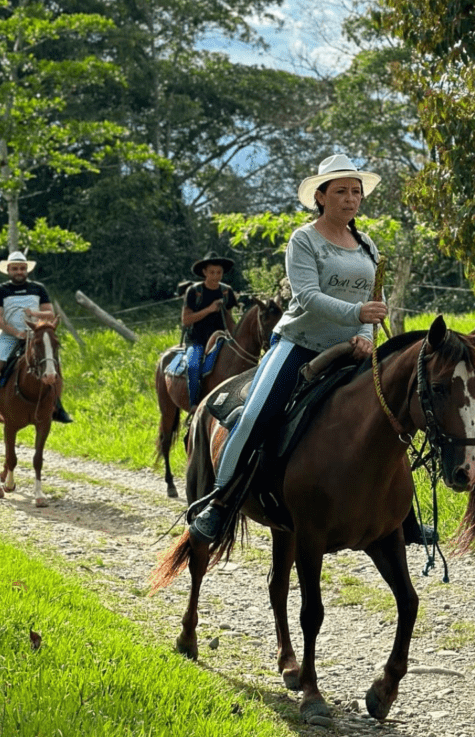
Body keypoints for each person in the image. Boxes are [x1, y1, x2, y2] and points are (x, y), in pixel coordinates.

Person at [189, 152, 433, 546]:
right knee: (255, 415)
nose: (350, 198)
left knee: (393, 418)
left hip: (355, 349)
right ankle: (220, 503)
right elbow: (307, 296)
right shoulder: (303, 240)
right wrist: (357, 311)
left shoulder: (367, 245)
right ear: (320, 196)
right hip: (300, 346)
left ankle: (403, 516)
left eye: (355, 191)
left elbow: (377, 301)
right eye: (340, 191)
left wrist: (366, 338)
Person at [0, 251, 73, 423]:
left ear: (27, 270)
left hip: (36, 333)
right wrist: (16, 333)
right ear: (8, 270)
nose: (19, 271)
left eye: (22, 268)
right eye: (15, 268)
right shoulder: (0, 290)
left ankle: (57, 406)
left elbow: (49, 314)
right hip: (9, 334)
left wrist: (33, 313)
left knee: (54, 366)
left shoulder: (38, 288)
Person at [177, 254, 238, 403]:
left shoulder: (226, 291)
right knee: (193, 366)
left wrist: (236, 337)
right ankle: (194, 405)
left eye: (219, 273)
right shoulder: (194, 291)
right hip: (197, 340)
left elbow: (229, 319)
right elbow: (185, 320)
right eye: (212, 272)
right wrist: (209, 310)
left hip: (220, 339)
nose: (216, 276)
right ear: (204, 272)